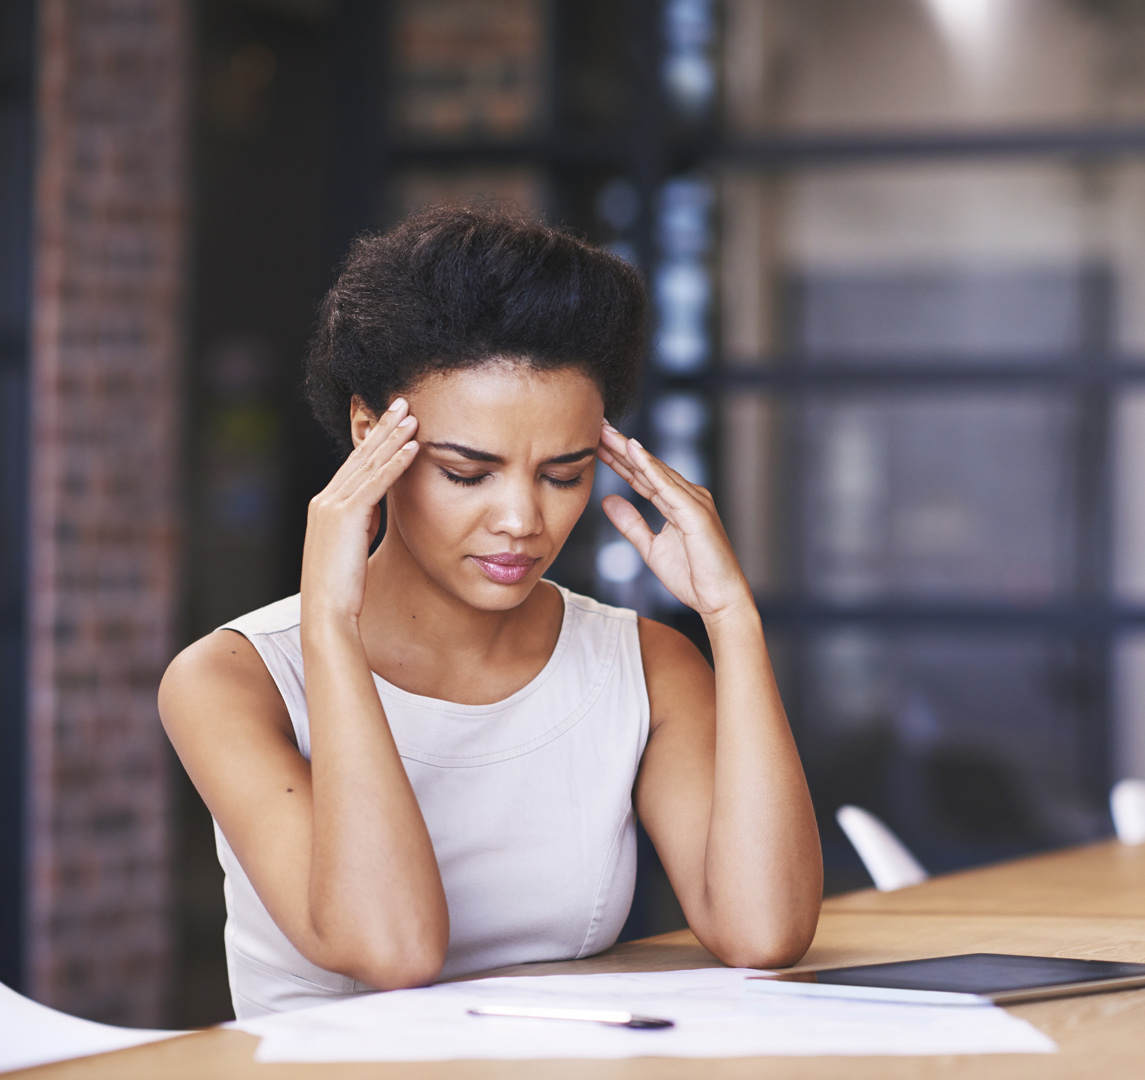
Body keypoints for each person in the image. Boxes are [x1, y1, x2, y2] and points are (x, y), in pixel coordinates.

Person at [159, 204, 823, 1018]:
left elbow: (765, 932)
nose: (521, 519)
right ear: (372, 438)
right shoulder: (231, 681)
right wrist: (329, 623)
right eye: (468, 473)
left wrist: (731, 616)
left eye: (565, 473)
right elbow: (394, 950)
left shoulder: (644, 667)